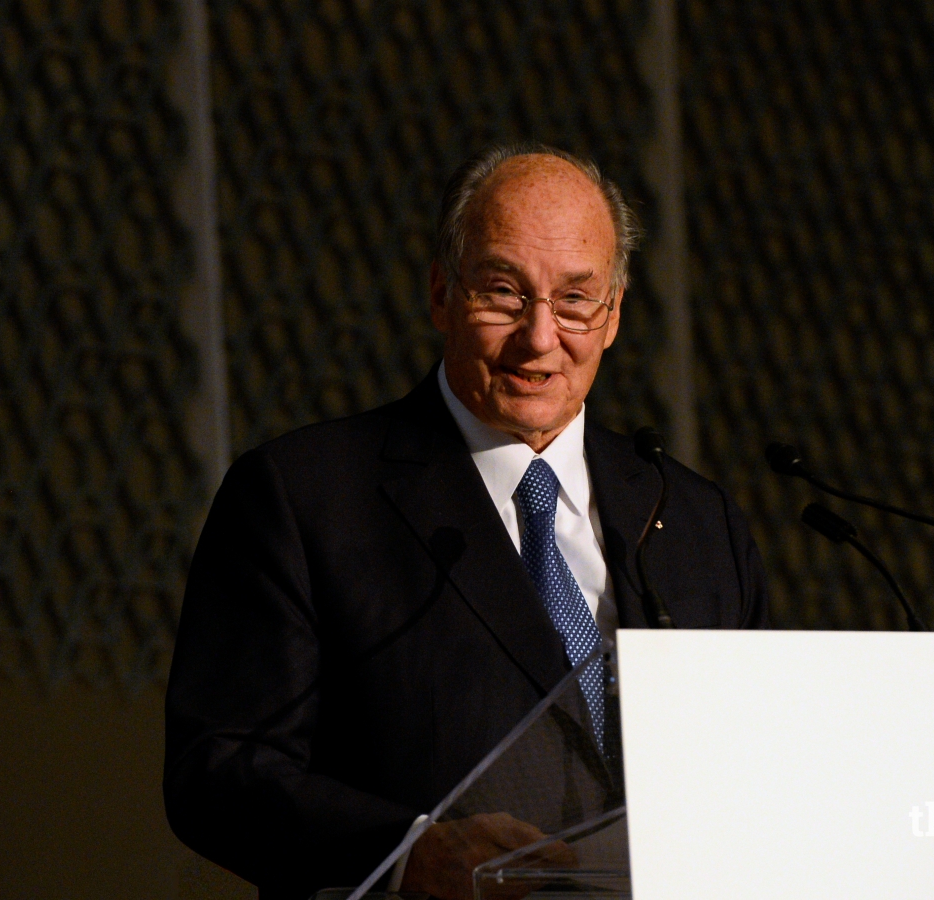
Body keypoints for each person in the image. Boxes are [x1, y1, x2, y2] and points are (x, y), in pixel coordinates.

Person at [164, 144, 774, 900]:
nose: (540, 338)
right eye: (503, 293)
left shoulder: (694, 519)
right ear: (441, 295)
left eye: (576, 299)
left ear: (614, 315)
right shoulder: (304, 495)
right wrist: (406, 854)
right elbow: (217, 770)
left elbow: (759, 769)